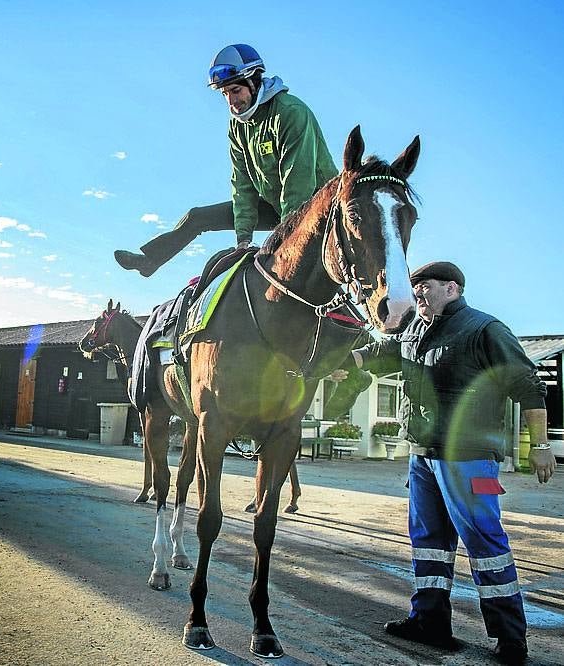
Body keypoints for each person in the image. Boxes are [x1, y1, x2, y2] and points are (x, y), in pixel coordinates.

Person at [341, 261, 555, 665]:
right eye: (416, 286)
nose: (418, 292)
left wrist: (540, 445)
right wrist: (340, 365)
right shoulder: (414, 331)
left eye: (426, 286)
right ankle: (429, 622)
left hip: (470, 460)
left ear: (452, 289)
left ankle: (511, 638)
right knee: (429, 542)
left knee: (485, 543)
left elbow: (528, 385)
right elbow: (381, 351)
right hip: (423, 458)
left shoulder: (484, 329)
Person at [114, 43, 337, 277]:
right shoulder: (237, 126)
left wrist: (282, 240)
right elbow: (242, 184)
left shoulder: (290, 112)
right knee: (197, 216)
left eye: (235, 90)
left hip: (317, 206)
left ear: (254, 81)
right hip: (278, 207)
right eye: (225, 94)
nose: (231, 101)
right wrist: (243, 239)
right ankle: (151, 260)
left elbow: (297, 183)